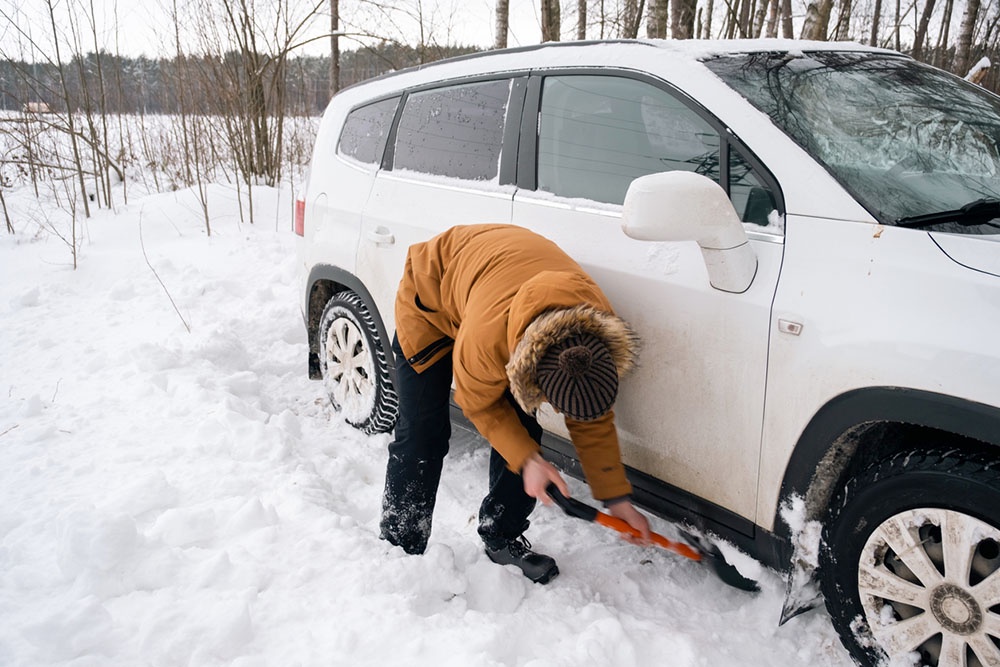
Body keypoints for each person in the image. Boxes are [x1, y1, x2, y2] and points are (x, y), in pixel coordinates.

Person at [379, 223, 651, 584]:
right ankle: (401, 543)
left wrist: (616, 498)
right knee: (423, 431)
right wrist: (526, 460)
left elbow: (590, 412)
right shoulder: (486, 341)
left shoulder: (594, 327)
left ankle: (500, 533)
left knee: (523, 427)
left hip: (495, 288)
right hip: (431, 294)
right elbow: (479, 404)